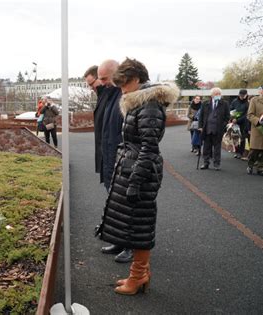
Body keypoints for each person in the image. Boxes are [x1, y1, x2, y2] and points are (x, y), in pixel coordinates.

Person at [98, 58, 179, 295]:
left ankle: (138, 277)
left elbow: (149, 147)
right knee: (135, 224)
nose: (121, 89)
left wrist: (135, 180)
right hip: (134, 168)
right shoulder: (140, 102)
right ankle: (140, 275)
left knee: (139, 226)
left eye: (124, 84)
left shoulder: (149, 105)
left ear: (135, 79)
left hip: (140, 172)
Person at [95, 60, 132, 263]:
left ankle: (130, 245)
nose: (101, 83)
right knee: (115, 205)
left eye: (104, 78)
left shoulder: (126, 97)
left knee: (126, 206)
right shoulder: (110, 94)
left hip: (122, 161)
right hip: (110, 159)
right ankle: (119, 240)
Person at [198, 87, 230, 171]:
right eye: (216, 94)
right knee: (206, 147)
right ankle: (206, 162)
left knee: (217, 148)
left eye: (219, 94)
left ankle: (216, 164)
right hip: (207, 128)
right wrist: (200, 127)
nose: (218, 95)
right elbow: (201, 116)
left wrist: (223, 125)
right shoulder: (205, 103)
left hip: (218, 129)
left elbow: (227, 117)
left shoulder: (224, 103)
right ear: (212, 95)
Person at [83, 65, 105, 179]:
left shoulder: (110, 97)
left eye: (92, 84)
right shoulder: (102, 97)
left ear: (101, 77)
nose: (91, 88)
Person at [246, 85, 263, 175]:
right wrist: (259, 121)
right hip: (257, 128)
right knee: (255, 150)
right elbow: (250, 115)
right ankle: (250, 164)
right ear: (261, 91)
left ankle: (261, 168)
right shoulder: (254, 100)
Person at [230, 89, 249, 159]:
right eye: (240, 95)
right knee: (235, 137)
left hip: (243, 123)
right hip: (234, 122)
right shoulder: (234, 101)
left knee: (242, 138)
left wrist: (237, 120)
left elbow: (246, 114)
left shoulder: (247, 103)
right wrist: (232, 118)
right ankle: (237, 152)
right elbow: (231, 109)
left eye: (243, 95)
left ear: (246, 95)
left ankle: (241, 152)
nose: (241, 97)